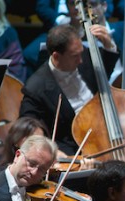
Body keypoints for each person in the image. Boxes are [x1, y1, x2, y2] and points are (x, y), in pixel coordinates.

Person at [19, 23, 119, 156]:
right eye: (74, 56)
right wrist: (52, 151)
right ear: (56, 56)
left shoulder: (84, 55)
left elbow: (104, 71)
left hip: (106, 130)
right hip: (73, 148)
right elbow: (28, 129)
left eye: (81, 53)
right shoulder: (35, 88)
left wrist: (108, 44)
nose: (81, 60)